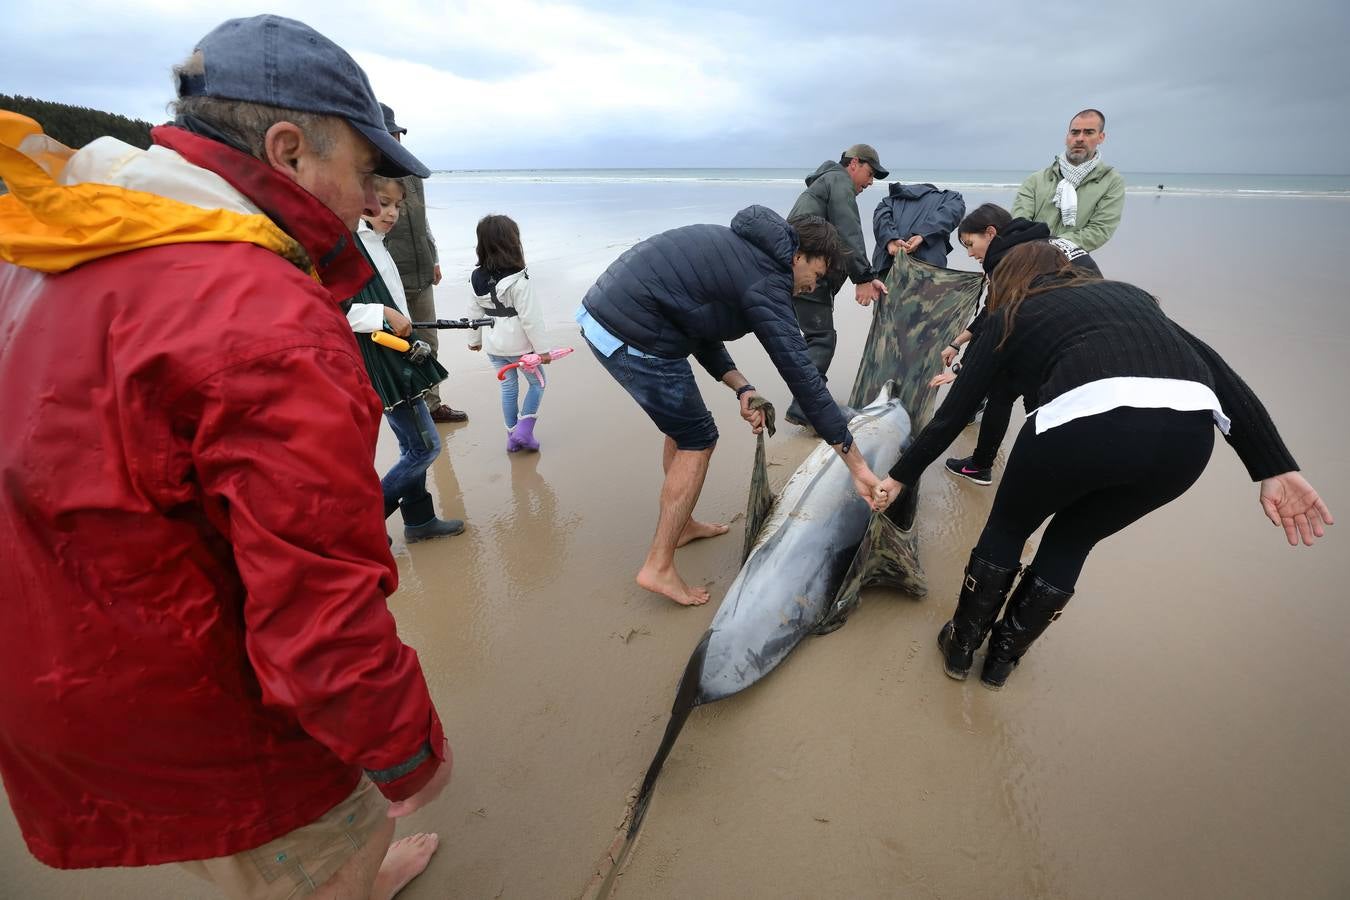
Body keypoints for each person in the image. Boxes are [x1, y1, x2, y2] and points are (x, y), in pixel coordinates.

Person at [0, 15, 452, 899]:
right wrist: (406, 752)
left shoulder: (76, 232)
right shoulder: (261, 319)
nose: (371, 203)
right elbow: (318, 603)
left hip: (57, 657)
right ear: (287, 150)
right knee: (330, 848)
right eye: (365, 173)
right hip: (191, 696)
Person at [872, 242, 1332, 689]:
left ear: (1011, 279)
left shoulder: (1009, 312)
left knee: (1010, 529)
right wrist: (1273, 466)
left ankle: (959, 648)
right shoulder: (1131, 296)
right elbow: (1219, 372)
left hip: (1082, 422)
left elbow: (953, 416)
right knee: (1073, 539)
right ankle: (1001, 663)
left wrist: (897, 477)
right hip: (1187, 442)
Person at [576, 206, 884, 606]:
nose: (815, 286)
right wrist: (857, 466)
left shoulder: (748, 254)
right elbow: (803, 377)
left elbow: (697, 326)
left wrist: (742, 387)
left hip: (608, 315)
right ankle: (658, 565)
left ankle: (681, 524)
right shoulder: (769, 279)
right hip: (631, 332)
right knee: (698, 437)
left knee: (683, 425)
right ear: (799, 256)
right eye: (819, 274)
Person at [934, 206, 1101, 485]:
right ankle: (995, 466)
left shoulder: (1013, 259)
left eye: (970, 244)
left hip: (1063, 340)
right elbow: (993, 309)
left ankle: (1026, 471)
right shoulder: (1039, 241)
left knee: (1023, 394)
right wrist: (957, 342)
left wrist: (963, 371)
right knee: (1006, 388)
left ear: (991, 233)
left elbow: (997, 326)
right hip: (1088, 330)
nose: (970, 253)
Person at [348, 175, 466, 540]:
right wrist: (382, 312)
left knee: (411, 443)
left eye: (397, 205)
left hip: (396, 356)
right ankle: (363, 526)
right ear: (362, 199)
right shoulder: (351, 246)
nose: (392, 213)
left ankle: (419, 520)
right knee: (424, 447)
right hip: (384, 363)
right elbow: (332, 309)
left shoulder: (376, 242)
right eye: (384, 203)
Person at [784, 143, 891, 426]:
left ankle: (806, 400)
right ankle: (805, 406)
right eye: (870, 174)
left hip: (797, 270)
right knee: (821, 338)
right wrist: (864, 277)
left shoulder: (825, 183)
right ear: (853, 164)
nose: (870, 182)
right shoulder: (838, 181)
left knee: (812, 338)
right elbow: (849, 231)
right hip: (804, 274)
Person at [381, 102, 468, 424]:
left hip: (421, 272)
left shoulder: (413, 173)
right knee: (397, 344)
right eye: (389, 134)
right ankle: (405, 407)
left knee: (428, 341)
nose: (395, 140)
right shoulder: (366, 180)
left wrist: (435, 258)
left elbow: (424, 222)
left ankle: (432, 405)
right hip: (389, 278)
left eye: (397, 134)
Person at [467, 214, 553, 452]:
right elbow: (531, 318)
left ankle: (512, 436)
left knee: (508, 388)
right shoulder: (519, 279)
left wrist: (473, 340)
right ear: (513, 242)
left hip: (494, 345)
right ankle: (523, 433)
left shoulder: (476, 276)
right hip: (521, 348)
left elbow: (473, 312)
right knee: (538, 384)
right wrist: (543, 350)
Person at [1012, 109, 1126, 252]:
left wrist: (1052, 246)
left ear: (1101, 137)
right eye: (1075, 132)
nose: (1080, 138)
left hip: (1069, 263)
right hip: (1028, 255)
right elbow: (1019, 222)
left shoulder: (1111, 182)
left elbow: (1099, 230)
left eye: (1089, 132)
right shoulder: (1036, 180)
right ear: (1067, 137)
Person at [871, 181, 966, 276]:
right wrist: (922, 235)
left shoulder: (888, 201)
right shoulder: (951, 198)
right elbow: (952, 212)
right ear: (932, 191)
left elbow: (881, 219)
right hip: (928, 270)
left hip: (886, 268)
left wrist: (890, 241)